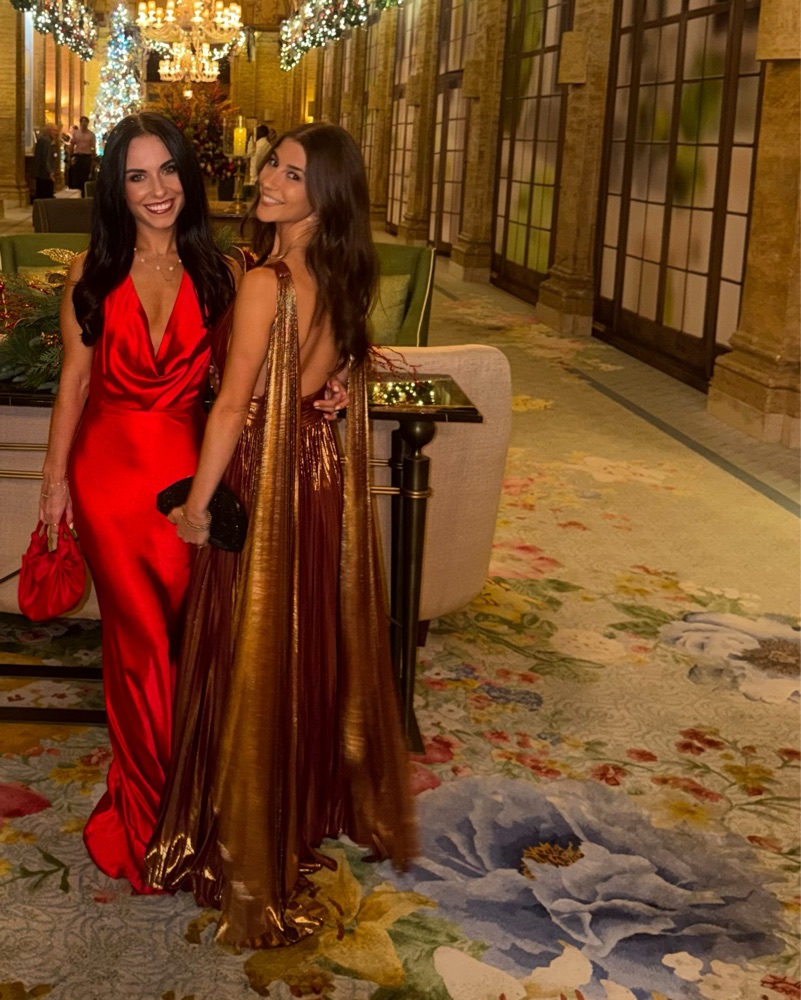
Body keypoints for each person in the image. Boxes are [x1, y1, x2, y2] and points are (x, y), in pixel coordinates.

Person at [38, 111, 346, 895]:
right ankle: (152, 816)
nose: (157, 189)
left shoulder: (227, 269)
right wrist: (53, 482)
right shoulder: (91, 272)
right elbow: (74, 383)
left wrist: (343, 376)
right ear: (116, 188)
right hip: (108, 479)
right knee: (139, 649)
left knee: (196, 645)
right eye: (136, 176)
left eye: (168, 170)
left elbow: (292, 340)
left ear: (189, 175)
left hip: (195, 478)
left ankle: (202, 798)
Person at [145, 123, 416, 947]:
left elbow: (232, 404)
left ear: (323, 194)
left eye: (292, 175)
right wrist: (335, 383)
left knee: (247, 641)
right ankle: (294, 805)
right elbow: (341, 363)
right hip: (315, 469)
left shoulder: (270, 282)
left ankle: (240, 829)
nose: (269, 178)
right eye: (274, 165)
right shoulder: (339, 270)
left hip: (262, 471)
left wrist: (197, 504)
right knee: (296, 639)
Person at [68, 115, 97, 195]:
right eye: (82, 122)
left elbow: (93, 146)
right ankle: (77, 190)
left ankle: (85, 191)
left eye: (85, 122)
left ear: (87, 123)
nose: (84, 124)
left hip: (86, 156)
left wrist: (94, 157)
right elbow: (72, 144)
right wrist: (70, 155)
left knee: (85, 174)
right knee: (77, 175)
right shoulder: (76, 133)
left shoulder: (91, 134)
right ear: (80, 123)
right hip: (78, 156)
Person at [32, 123, 58, 200]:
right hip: (44, 174)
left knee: (40, 193)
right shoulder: (46, 141)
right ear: (49, 131)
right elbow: (46, 157)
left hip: (40, 172)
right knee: (46, 195)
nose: (56, 133)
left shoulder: (42, 139)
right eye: (54, 130)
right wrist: (50, 172)